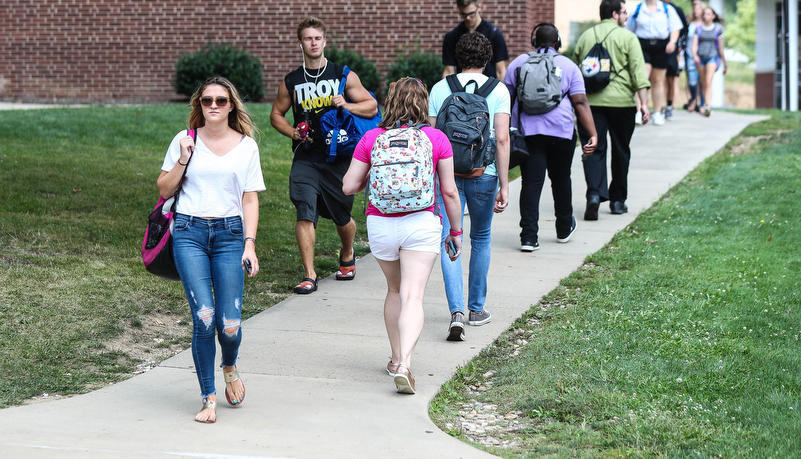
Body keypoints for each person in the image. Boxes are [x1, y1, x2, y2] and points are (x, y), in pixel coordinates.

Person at [342, 77, 463, 395]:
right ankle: (407, 365)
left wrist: (375, 171)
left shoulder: (372, 138)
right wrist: (456, 231)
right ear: (424, 103)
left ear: (390, 101)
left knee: (394, 290)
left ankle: (395, 359)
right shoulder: (436, 138)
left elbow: (348, 187)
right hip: (421, 223)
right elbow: (449, 192)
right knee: (413, 296)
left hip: (381, 225)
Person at [157, 76, 266, 423]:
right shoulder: (184, 141)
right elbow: (163, 189)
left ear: (231, 105)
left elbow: (250, 198)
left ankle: (229, 365)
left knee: (229, 325)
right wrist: (183, 160)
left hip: (230, 234)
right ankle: (208, 398)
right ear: (199, 105)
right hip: (189, 231)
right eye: (207, 101)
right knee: (204, 318)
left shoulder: (247, 146)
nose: (214, 106)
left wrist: (250, 244)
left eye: (221, 100)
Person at [270, 16, 378, 294]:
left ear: (324, 41)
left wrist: (348, 105)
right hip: (306, 155)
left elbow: (372, 106)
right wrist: (292, 132)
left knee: (342, 216)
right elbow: (276, 115)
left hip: (339, 157)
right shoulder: (292, 81)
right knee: (304, 210)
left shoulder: (342, 74)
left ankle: (347, 252)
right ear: (300, 43)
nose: (313, 42)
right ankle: (309, 274)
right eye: (308, 38)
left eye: (317, 38)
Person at [429, 32, 510, 341]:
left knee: (449, 237)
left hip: (446, 177)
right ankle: (476, 309)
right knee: (481, 237)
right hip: (484, 175)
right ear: (487, 59)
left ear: (457, 57)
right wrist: (504, 184)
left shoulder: (440, 88)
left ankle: (457, 312)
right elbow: (501, 139)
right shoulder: (498, 90)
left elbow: (433, 138)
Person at [504, 23, 598, 253]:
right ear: (558, 43)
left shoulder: (518, 63)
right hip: (562, 133)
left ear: (534, 42)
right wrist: (593, 134)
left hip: (529, 133)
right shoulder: (569, 65)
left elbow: (505, 100)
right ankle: (564, 228)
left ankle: (528, 237)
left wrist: (505, 132)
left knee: (531, 182)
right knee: (561, 179)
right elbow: (580, 102)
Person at [573, 0, 651, 219]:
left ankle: (595, 195)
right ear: (615, 14)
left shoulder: (585, 36)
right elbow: (638, 73)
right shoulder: (628, 37)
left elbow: (576, 70)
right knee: (620, 150)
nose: (626, 17)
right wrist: (643, 104)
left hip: (590, 105)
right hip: (622, 103)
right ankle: (617, 201)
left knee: (592, 148)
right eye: (625, 12)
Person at [626, 0, 684, 125]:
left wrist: (672, 42)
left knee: (658, 81)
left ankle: (657, 113)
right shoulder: (638, 9)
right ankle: (639, 111)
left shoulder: (666, 9)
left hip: (661, 46)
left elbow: (675, 27)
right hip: (642, 45)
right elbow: (629, 30)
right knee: (643, 79)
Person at [441, 0, 509, 81]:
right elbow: (448, 72)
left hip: (489, 90)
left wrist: (500, 92)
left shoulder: (494, 34)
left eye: (471, 13)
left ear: (479, 7)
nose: (468, 18)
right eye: (463, 14)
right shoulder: (452, 36)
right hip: (462, 90)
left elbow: (501, 72)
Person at [693, 6, 727, 117]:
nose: (705, 16)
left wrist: (725, 63)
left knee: (708, 82)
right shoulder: (698, 29)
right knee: (703, 83)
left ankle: (708, 105)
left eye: (708, 14)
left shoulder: (718, 29)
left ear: (713, 16)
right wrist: (695, 55)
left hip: (712, 57)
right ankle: (703, 105)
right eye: (704, 14)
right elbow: (694, 45)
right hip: (701, 57)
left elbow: (721, 48)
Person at [662, 0, 688, 120]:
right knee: (657, 79)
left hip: (673, 50)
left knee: (671, 79)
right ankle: (659, 107)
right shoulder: (655, 8)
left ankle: (668, 106)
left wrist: (679, 45)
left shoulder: (677, 10)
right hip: (658, 49)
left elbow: (684, 30)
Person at [683, 1, 705, 112]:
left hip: (703, 56)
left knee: (702, 81)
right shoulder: (689, 23)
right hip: (690, 55)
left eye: (698, 9)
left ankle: (702, 104)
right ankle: (693, 100)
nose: (696, 11)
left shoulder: (705, 25)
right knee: (692, 81)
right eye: (694, 9)